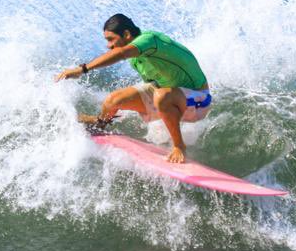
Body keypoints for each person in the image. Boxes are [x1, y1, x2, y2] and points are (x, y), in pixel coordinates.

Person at [55, 14, 211, 163]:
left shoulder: (150, 40)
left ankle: (179, 146)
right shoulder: (136, 59)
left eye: (111, 39)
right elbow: (152, 84)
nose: (109, 46)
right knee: (113, 101)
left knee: (162, 97)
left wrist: (83, 69)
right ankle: (99, 124)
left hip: (199, 100)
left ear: (127, 34)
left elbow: (121, 53)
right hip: (171, 95)